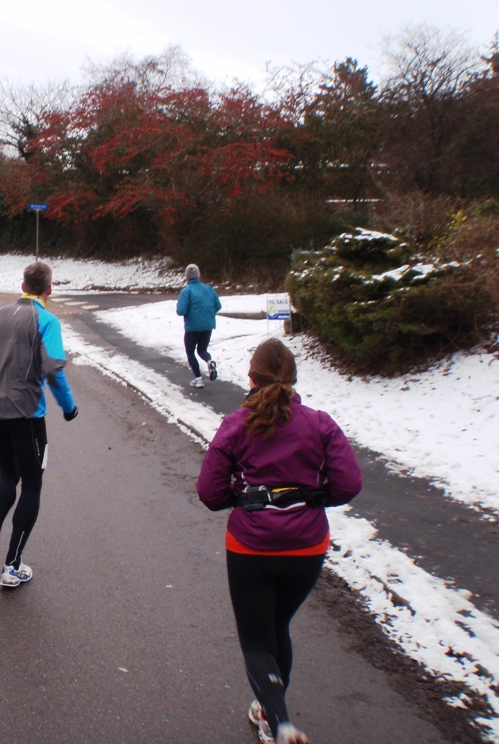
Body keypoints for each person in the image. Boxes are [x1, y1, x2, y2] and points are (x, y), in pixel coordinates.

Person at [196, 338, 362, 744]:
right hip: (306, 549)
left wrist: (241, 496)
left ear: (251, 378)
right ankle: (271, 713)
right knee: (278, 626)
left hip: (251, 548)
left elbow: (210, 492)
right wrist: (317, 498)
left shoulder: (236, 425)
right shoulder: (320, 423)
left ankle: (279, 720)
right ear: (293, 380)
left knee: (256, 640)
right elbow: (349, 483)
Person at [0, 262, 78, 589]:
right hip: (26, 414)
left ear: (22, 284)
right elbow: (53, 369)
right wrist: (68, 407)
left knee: (8, 474)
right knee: (33, 484)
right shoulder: (46, 320)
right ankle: (12, 566)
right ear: (48, 290)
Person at [176, 263, 221, 388]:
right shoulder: (209, 289)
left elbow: (181, 311)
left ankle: (198, 378)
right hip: (208, 325)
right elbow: (218, 305)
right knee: (202, 350)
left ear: (187, 277)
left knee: (190, 352)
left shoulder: (187, 291)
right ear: (198, 275)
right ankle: (209, 361)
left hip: (192, 327)